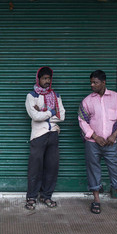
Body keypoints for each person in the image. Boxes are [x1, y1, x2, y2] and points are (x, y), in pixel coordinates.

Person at [78, 70, 117, 217]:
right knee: (93, 170)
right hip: (93, 143)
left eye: (95, 82)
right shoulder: (87, 101)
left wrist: (114, 135)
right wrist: (94, 136)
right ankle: (96, 201)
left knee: (116, 170)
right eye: (91, 82)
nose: (92, 85)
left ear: (103, 82)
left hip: (111, 143)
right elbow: (82, 120)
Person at [25, 66, 66, 210]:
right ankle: (31, 197)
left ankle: (46, 196)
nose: (47, 81)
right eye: (44, 78)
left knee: (52, 167)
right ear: (38, 79)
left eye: (49, 78)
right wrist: (51, 112)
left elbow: (62, 116)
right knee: (35, 168)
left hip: (53, 134)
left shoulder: (56, 95)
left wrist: (44, 113)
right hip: (38, 136)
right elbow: (35, 117)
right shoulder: (32, 96)